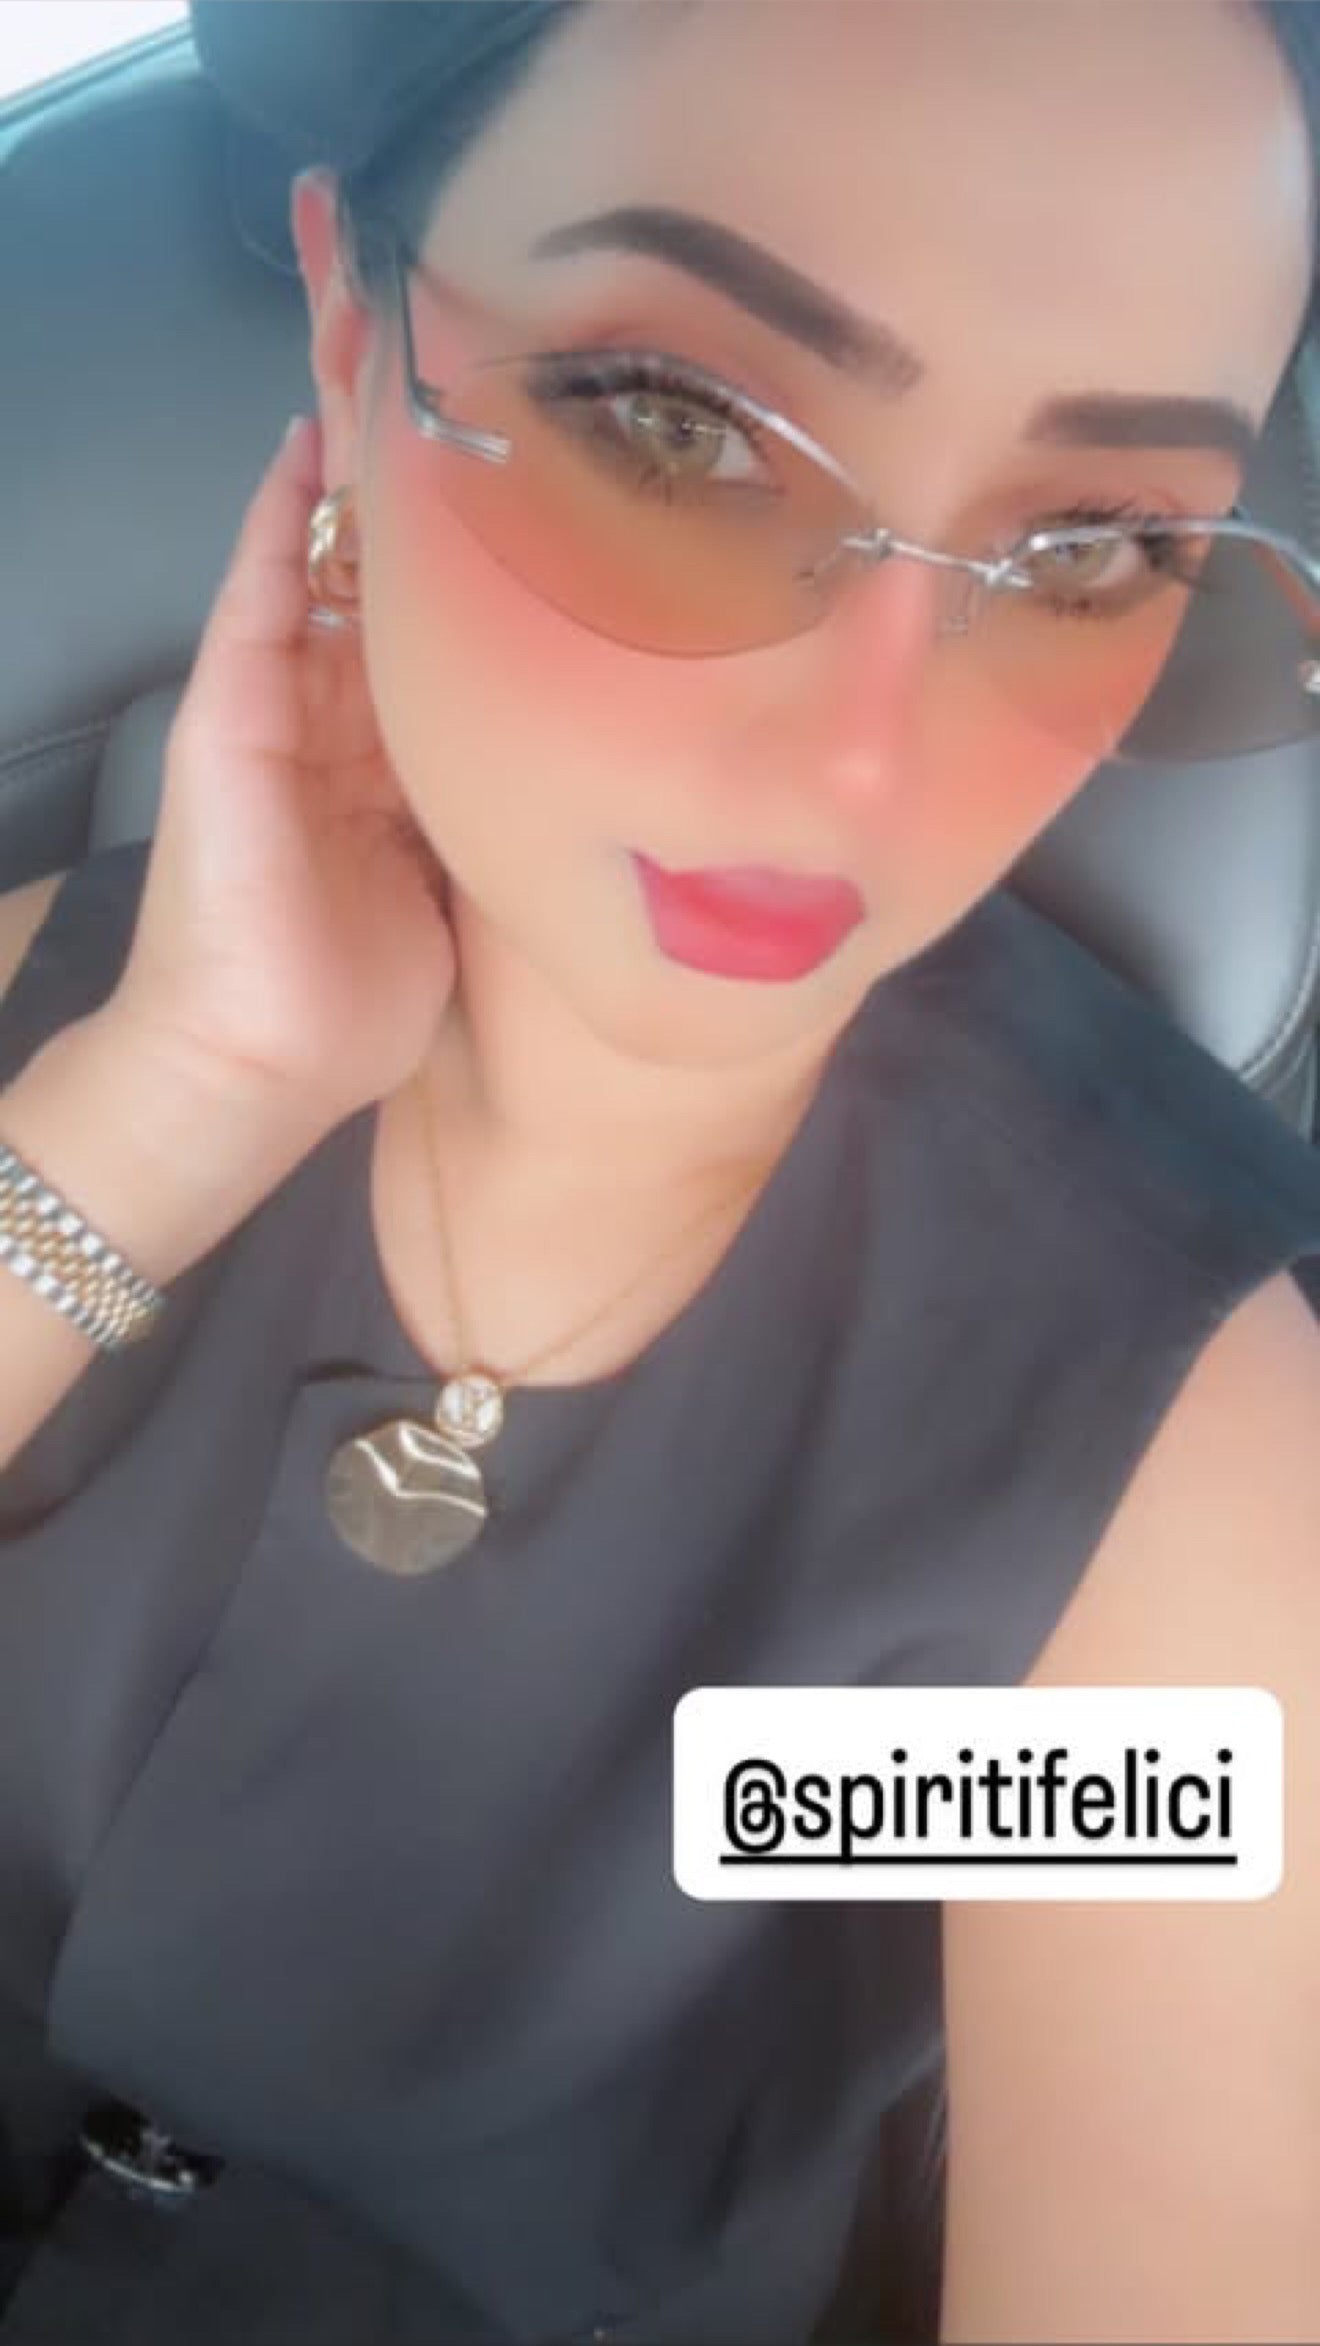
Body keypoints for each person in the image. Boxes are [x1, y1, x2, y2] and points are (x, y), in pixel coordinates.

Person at [2, 0, 1320, 2336]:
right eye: (680, 422)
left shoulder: (1180, 1500)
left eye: (1097, 542)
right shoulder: (51, 995)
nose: (861, 762)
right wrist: (172, 1099)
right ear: (350, 326)